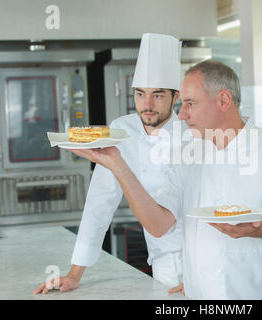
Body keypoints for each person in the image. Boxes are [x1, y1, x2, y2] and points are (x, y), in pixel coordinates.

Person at [57, 59, 262, 299]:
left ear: (223, 100)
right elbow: (158, 225)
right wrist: (117, 164)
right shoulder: (187, 156)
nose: (181, 115)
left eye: (190, 104)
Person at [33, 33, 185, 294]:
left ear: (176, 96)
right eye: (140, 94)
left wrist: (206, 269)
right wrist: (74, 274)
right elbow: (99, 202)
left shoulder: (193, 133)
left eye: (157, 96)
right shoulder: (121, 129)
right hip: (164, 262)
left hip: (205, 259)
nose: (146, 105)